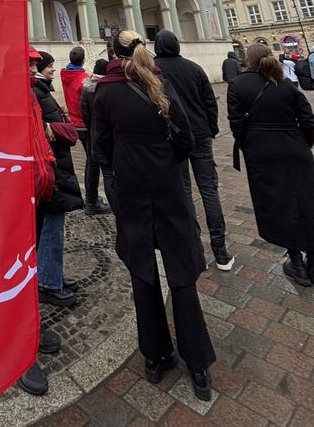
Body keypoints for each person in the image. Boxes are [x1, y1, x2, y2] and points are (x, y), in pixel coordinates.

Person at [95, 30, 215, 401]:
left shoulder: (105, 90)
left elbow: (101, 147)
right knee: (181, 270)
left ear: (114, 53)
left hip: (131, 187)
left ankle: (155, 356)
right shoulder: (157, 83)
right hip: (166, 184)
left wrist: (125, 162)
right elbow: (186, 139)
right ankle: (197, 363)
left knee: (142, 271)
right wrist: (163, 159)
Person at [228, 43, 314, 286]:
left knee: (278, 205)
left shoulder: (238, 85)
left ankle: (296, 262)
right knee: (306, 202)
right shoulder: (286, 84)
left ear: (249, 60)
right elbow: (307, 120)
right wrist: (303, 144)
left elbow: (236, 124)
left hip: (262, 153)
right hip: (295, 149)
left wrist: (250, 145)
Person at [154, 31, 234, 271]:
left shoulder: (154, 70)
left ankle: (195, 249)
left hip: (173, 137)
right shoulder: (194, 68)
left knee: (184, 192)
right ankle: (220, 251)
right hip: (199, 134)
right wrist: (211, 128)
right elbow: (210, 101)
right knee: (209, 189)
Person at [17, 47, 61, 397]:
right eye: (31, 61)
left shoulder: (29, 92)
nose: (36, 64)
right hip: (10, 193)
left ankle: (29, 327)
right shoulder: (1, 92)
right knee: (11, 266)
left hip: (33, 187)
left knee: (28, 263)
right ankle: (16, 352)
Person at [33, 51, 84, 307]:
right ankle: (48, 283)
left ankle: (50, 275)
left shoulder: (40, 91)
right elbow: (39, 130)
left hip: (54, 168)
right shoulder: (36, 93)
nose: (53, 69)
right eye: (47, 65)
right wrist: (58, 128)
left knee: (47, 227)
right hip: (50, 169)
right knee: (52, 229)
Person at [60, 46, 111, 215]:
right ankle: (91, 201)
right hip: (85, 124)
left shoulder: (66, 75)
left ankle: (92, 199)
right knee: (93, 162)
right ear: (82, 60)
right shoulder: (82, 79)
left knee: (91, 161)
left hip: (75, 122)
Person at [80, 58, 115, 211]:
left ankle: (92, 201)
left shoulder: (87, 89)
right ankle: (117, 206)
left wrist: (92, 129)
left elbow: (85, 115)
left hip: (94, 136)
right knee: (110, 174)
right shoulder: (109, 88)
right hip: (109, 136)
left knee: (98, 170)